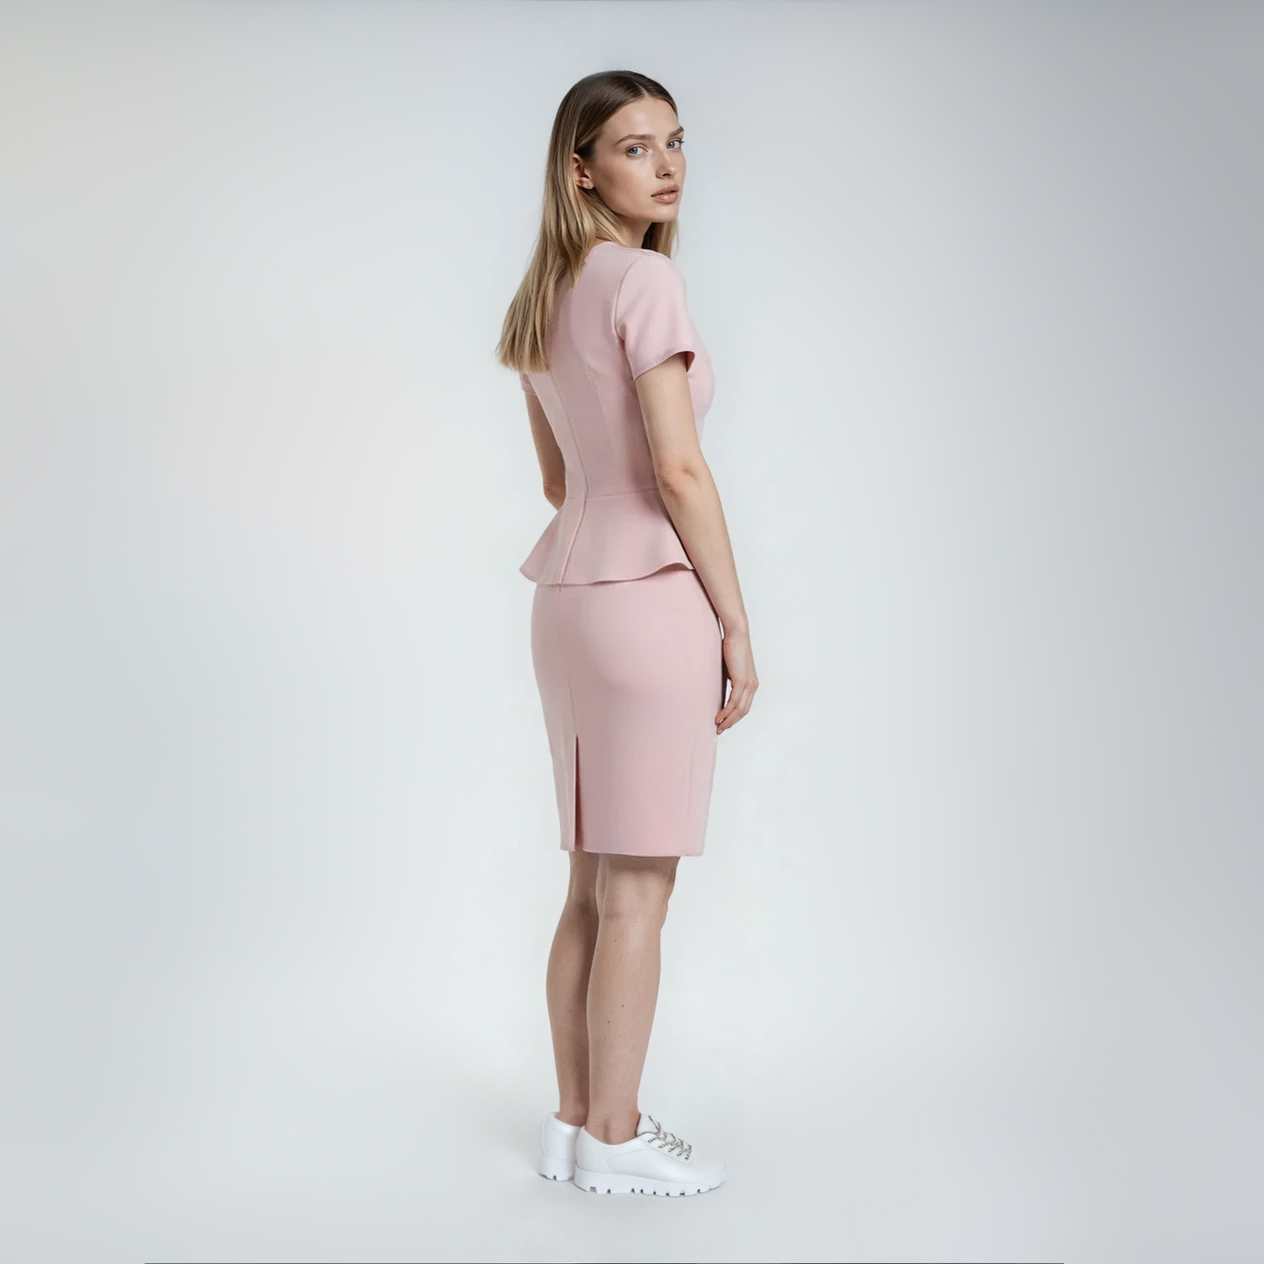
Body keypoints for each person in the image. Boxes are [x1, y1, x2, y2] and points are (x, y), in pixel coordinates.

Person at [497, 70, 758, 1197]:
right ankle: (616, 1134)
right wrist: (734, 621)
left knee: (587, 886)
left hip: (566, 602)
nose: (667, 165)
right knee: (637, 892)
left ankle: (572, 1124)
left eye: (675, 142)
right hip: (648, 599)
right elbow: (679, 469)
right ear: (582, 171)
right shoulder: (644, 280)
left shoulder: (542, 297)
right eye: (636, 147)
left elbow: (561, 481)